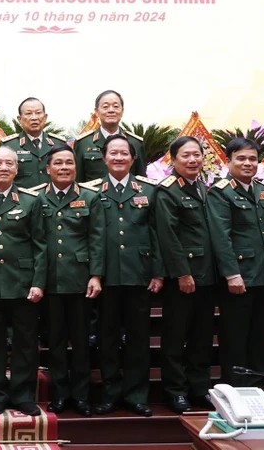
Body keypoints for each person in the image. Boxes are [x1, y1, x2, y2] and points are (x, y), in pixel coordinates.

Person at [89, 134, 161, 418]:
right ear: (104, 158)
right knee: (106, 339)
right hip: (106, 277)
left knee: (138, 338)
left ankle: (136, 395)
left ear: (133, 158)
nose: (118, 158)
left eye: (124, 153)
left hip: (139, 275)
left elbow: (157, 233)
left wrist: (158, 272)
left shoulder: (149, 190)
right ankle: (110, 393)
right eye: (113, 153)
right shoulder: (93, 190)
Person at [0, 147, 46, 417]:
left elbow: (41, 244)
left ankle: (23, 394)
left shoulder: (31, 201)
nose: (3, 167)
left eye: (9, 163)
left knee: (25, 343)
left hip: (23, 284)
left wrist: (38, 282)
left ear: (17, 169)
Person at [33, 144, 103, 417]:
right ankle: (61, 394)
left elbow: (97, 238)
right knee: (56, 341)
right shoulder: (37, 198)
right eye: (58, 163)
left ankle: (82, 396)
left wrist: (96, 275)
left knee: (82, 341)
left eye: (69, 163)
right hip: (50, 281)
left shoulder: (90, 197)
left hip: (81, 281)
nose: (64, 168)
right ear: (47, 168)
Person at [206, 138, 264, 387]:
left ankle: (258, 389)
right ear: (229, 161)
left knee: (261, 339)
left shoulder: (261, 190)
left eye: (253, 159)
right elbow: (220, 236)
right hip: (239, 277)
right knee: (235, 339)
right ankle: (234, 391)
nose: (248, 163)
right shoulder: (220, 191)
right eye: (241, 158)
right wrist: (232, 274)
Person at [155, 136, 216, 414]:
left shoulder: (203, 187)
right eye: (186, 156)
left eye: (197, 155)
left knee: (202, 337)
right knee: (175, 337)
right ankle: (176, 390)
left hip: (207, 275)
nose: (193, 160)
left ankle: (199, 388)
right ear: (174, 160)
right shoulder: (168, 191)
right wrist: (182, 273)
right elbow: (168, 236)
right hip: (184, 277)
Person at [74, 90, 145, 182]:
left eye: (116, 106)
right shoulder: (83, 143)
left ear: (122, 111)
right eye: (105, 107)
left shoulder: (135, 143)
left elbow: (142, 182)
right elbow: (78, 181)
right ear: (96, 111)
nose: (111, 110)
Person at [0, 98, 68, 189]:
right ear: (19, 119)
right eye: (28, 113)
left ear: (45, 117)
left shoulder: (59, 143)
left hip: (53, 201)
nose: (34, 117)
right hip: (22, 201)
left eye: (38, 113)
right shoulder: (8, 146)